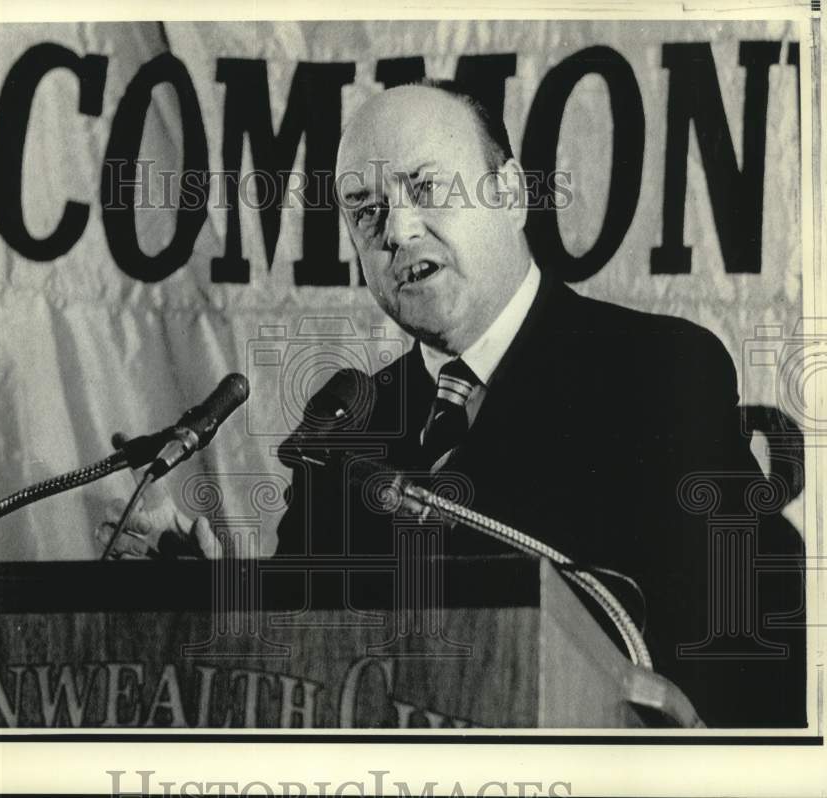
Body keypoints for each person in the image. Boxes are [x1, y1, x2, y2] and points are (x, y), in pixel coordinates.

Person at [97, 82, 805, 727]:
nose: (396, 231)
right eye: (365, 210)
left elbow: (753, 645)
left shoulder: (656, 370)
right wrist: (226, 601)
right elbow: (302, 671)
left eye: (426, 188)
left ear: (512, 194)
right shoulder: (350, 427)